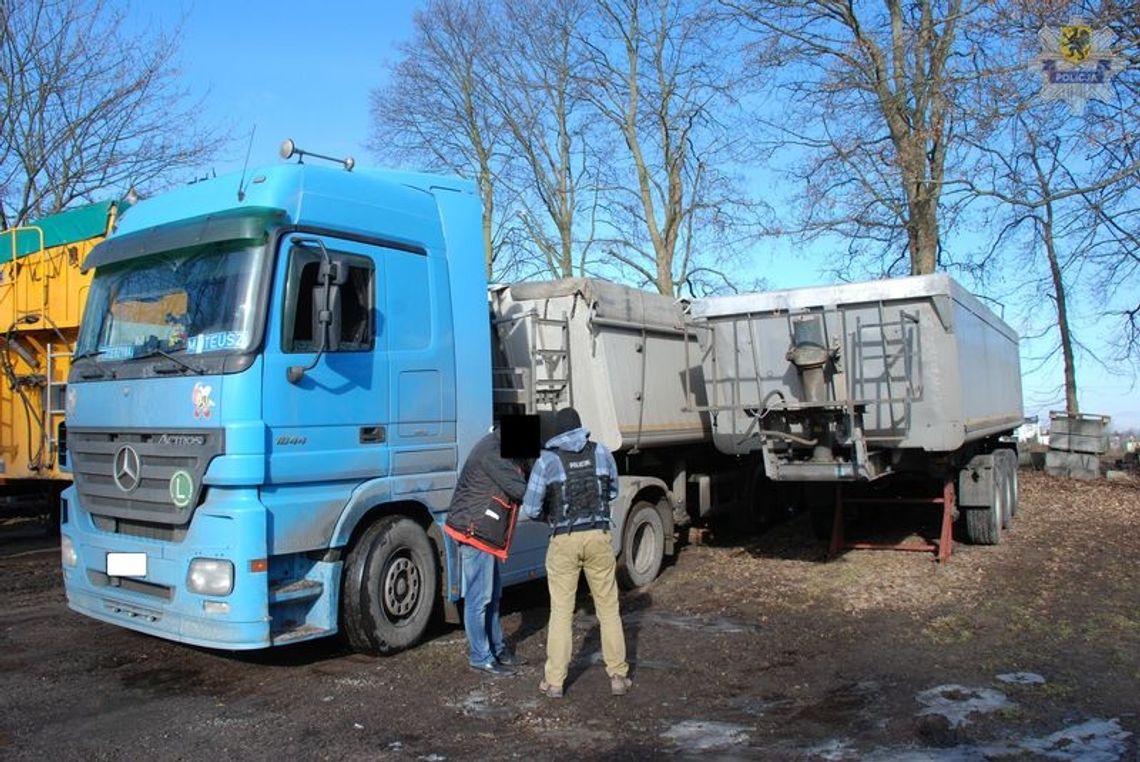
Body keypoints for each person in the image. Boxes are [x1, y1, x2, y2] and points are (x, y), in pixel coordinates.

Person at [522, 406, 631, 698]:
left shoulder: (547, 461)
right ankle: (618, 676)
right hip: (598, 536)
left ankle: (555, 682)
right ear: (581, 428)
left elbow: (530, 508)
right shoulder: (602, 452)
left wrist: (550, 517)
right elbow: (611, 492)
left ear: (557, 432)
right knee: (608, 609)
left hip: (564, 540)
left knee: (560, 612)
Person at [444, 427, 529, 677]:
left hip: (482, 533)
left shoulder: (495, 445)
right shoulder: (493, 454)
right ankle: (481, 656)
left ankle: (498, 649)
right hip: (475, 533)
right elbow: (520, 489)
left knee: (491, 595)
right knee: (479, 598)